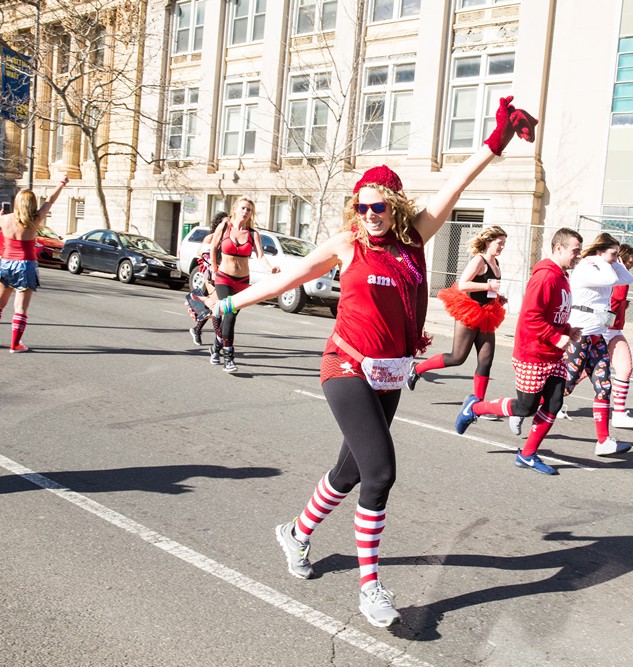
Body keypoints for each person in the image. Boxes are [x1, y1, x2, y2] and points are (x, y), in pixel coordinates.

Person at [210, 95, 537, 626]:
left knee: (348, 472)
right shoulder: (347, 244)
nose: (368, 215)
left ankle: (295, 533)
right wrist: (226, 301)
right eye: (360, 207)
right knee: (380, 473)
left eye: (377, 207)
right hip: (345, 366)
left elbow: (453, 189)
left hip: (389, 373)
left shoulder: (411, 243)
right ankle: (370, 588)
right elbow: (285, 279)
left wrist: (495, 143)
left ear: (395, 207)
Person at [454, 228, 582, 476]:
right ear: (559, 249)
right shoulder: (545, 276)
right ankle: (475, 409)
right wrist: (556, 336)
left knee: (555, 403)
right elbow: (531, 316)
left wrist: (567, 329)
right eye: (575, 251)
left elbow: (551, 315)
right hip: (532, 353)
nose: (578, 256)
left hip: (552, 354)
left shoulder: (562, 276)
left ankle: (527, 455)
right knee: (525, 407)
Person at [407, 226, 508, 404]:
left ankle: (476, 404)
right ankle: (417, 369)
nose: (502, 247)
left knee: (486, 359)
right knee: (457, 357)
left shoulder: (497, 263)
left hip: (487, 313)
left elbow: (489, 288)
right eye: (499, 243)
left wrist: (498, 298)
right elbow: (463, 284)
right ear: (488, 242)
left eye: (503, 244)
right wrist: (488, 287)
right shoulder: (479, 260)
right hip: (469, 311)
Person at [562, 232, 633, 456]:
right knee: (567, 384)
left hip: (597, 335)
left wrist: (614, 261)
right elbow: (612, 280)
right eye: (613, 254)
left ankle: (603, 441)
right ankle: (523, 408)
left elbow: (627, 278)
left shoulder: (605, 266)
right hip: (580, 334)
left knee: (603, 386)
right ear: (600, 253)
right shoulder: (586, 268)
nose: (616, 259)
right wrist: (601, 260)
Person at [0, 174, 69, 352]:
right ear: (32, 204)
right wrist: (61, 183)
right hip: (26, 265)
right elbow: (50, 200)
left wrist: (0, 217)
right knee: (20, 307)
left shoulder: (5, 219)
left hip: (7, 264)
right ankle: (15, 344)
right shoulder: (35, 219)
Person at [207, 197, 278, 373]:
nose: (245, 212)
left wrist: (271, 269)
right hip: (223, 278)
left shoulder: (253, 234)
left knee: (231, 317)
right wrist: (214, 268)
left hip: (242, 282)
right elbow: (213, 247)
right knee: (229, 314)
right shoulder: (224, 227)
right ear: (235, 209)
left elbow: (260, 256)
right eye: (243, 208)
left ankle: (216, 346)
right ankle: (228, 358)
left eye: (249, 210)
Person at [605, 243, 633, 428]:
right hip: (599, 330)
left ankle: (619, 414)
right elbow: (618, 296)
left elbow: (619, 300)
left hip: (614, 331)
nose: (631, 265)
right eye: (629, 261)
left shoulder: (619, 275)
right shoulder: (612, 274)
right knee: (574, 375)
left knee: (625, 367)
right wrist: (619, 269)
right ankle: (544, 403)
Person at [187, 211, 227, 346]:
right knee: (217, 306)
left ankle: (197, 330)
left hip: (222, 275)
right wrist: (210, 261)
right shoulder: (211, 238)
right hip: (210, 275)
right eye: (224, 223)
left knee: (211, 306)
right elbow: (200, 252)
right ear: (218, 224)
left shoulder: (227, 238)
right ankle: (220, 339)